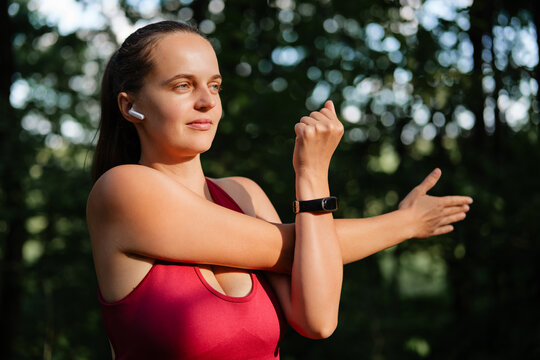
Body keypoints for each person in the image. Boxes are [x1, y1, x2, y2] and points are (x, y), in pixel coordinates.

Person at [86, 21, 472, 359]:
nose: (207, 102)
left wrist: (313, 176)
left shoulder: (243, 193)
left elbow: (317, 320)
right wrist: (406, 223)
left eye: (215, 86)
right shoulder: (122, 190)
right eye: (183, 85)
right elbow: (294, 248)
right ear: (129, 105)